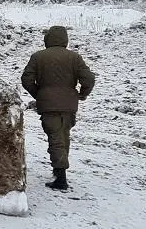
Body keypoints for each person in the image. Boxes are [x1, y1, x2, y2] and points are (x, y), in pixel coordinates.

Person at [21, 25, 96, 190]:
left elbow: (26, 79)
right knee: (62, 136)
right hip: (69, 104)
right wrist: (82, 94)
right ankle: (59, 171)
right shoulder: (74, 58)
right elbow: (89, 79)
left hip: (48, 104)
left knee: (56, 137)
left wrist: (39, 94)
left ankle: (60, 178)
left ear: (47, 39)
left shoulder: (38, 57)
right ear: (65, 40)